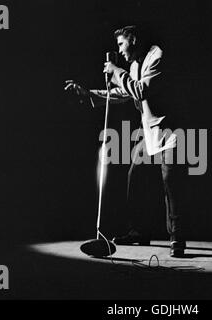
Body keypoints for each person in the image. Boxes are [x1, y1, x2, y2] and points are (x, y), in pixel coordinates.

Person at [64, 25, 187, 257]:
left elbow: (140, 90)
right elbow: (124, 93)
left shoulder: (157, 56)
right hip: (150, 131)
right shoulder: (133, 65)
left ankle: (177, 238)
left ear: (133, 39)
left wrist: (117, 72)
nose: (119, 50)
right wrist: (89, 93)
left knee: (170, 180)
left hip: (170, 129)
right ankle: (138, 231)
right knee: (136, 175)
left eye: (121, 44)